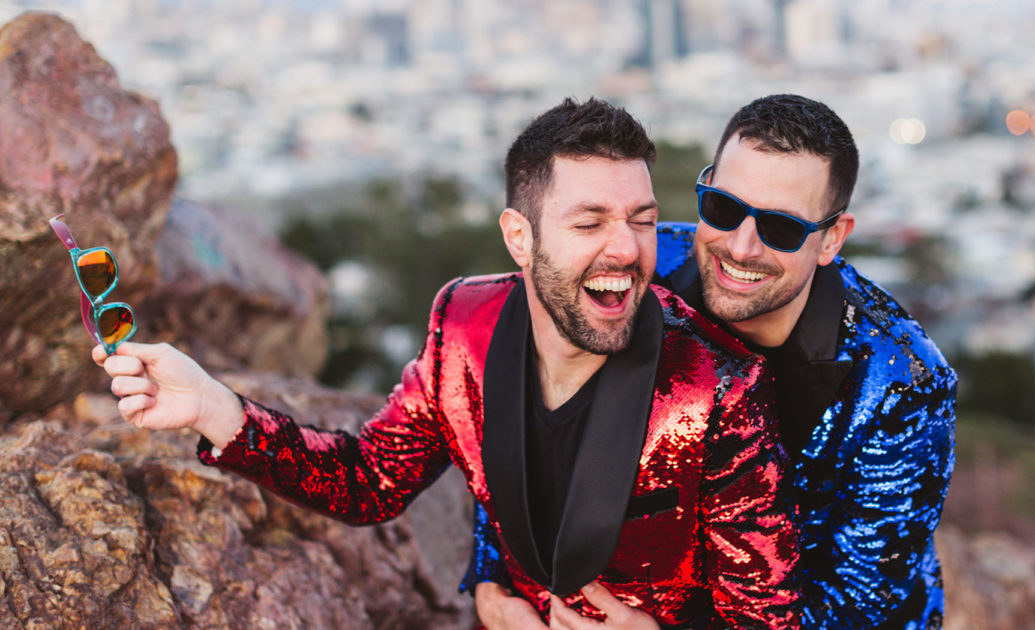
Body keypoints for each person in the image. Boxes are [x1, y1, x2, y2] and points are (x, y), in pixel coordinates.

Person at [94, 97, 800, 628]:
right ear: (519, 239)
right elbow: (366, 482)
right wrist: (216, 408)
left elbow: (769, 615)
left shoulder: (719, 388)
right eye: (589, 223)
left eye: (642, 219)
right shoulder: (463, 324)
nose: (627, 249)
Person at [467, 94, 957, 629]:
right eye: (723, 209)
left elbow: (861, 597)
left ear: (830, 240)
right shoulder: (640, 267)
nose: (742, 247)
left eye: (783, 228)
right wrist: (493, 581)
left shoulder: (900, 382)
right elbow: (529, 406)